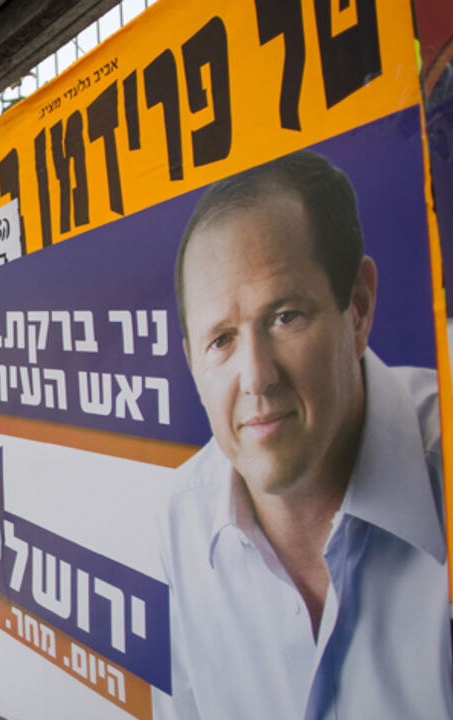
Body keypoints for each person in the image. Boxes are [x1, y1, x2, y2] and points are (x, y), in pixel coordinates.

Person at [158, 150, 451, 718]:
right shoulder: (180, 521)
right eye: (221, 340)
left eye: (285, 316)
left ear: (359, 308)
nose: (257, 378)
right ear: (193, 362)